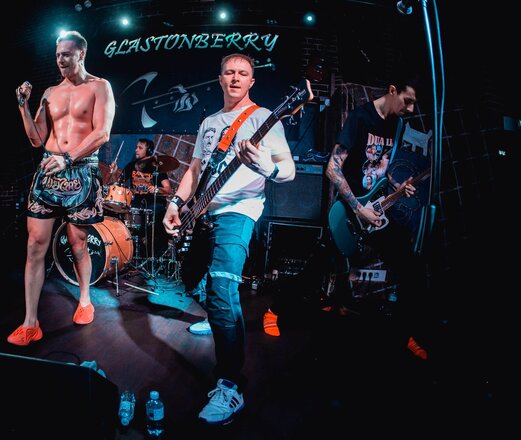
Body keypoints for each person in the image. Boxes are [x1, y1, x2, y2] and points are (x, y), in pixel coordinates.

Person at [162, 53, 295, 425]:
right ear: (220, 79)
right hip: (204, 211)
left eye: (243, 73)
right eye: (229, 72)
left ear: (252, 81)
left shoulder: (263, 118)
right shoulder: (209, 123)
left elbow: (288, 169)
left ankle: (230, 385)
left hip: (240, 210)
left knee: (222, 289)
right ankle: (220, 319)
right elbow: (195, 169)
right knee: (190, 280)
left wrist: (266, 167)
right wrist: (175, 203)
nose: (235, 78)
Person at [7, 30, 115, 346]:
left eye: (66, 54)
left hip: (81, 170)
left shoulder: (100, 86)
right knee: (34, 245)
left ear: (81, 53)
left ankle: (85, 300)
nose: (60, 60)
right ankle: (30, 322)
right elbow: (36, 139)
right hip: (49, 171)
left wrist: (68, 158)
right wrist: (23, 106)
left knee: (78, 243)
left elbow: (102, 133)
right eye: (57, 55)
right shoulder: (50, 93)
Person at [324, 78, 429, 359]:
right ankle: (277, 309)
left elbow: (380, 168)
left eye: (414, 104)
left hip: (378, 209)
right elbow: (332, 169)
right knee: (321, 264)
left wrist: (396, 186)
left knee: (411, 269)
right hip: (350, 210)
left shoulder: (397, 124)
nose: (410, 109)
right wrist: (359, 209)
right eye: (407, 101)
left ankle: (405, 335)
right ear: (393, 90)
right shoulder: (360, 117)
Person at [119, 138, 172, 258]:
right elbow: (119, 185)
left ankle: (156, 255)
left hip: (153, 205)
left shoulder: (156, 168)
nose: (136, 150)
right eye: (136, 147)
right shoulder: (131, 166)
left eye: (140, 148)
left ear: (148, 151)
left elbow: (168, 189)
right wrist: (113, 173)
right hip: (136, 206)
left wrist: (157, 189)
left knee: (157, 211)